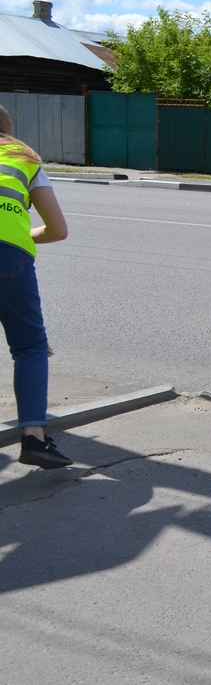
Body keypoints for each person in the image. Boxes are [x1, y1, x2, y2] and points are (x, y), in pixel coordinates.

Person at [0, 105, 71, 468]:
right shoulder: (23, 158)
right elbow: (58, 230)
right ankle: (33, 439)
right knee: (29, 347)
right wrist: (14, 238)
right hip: (11, 260)